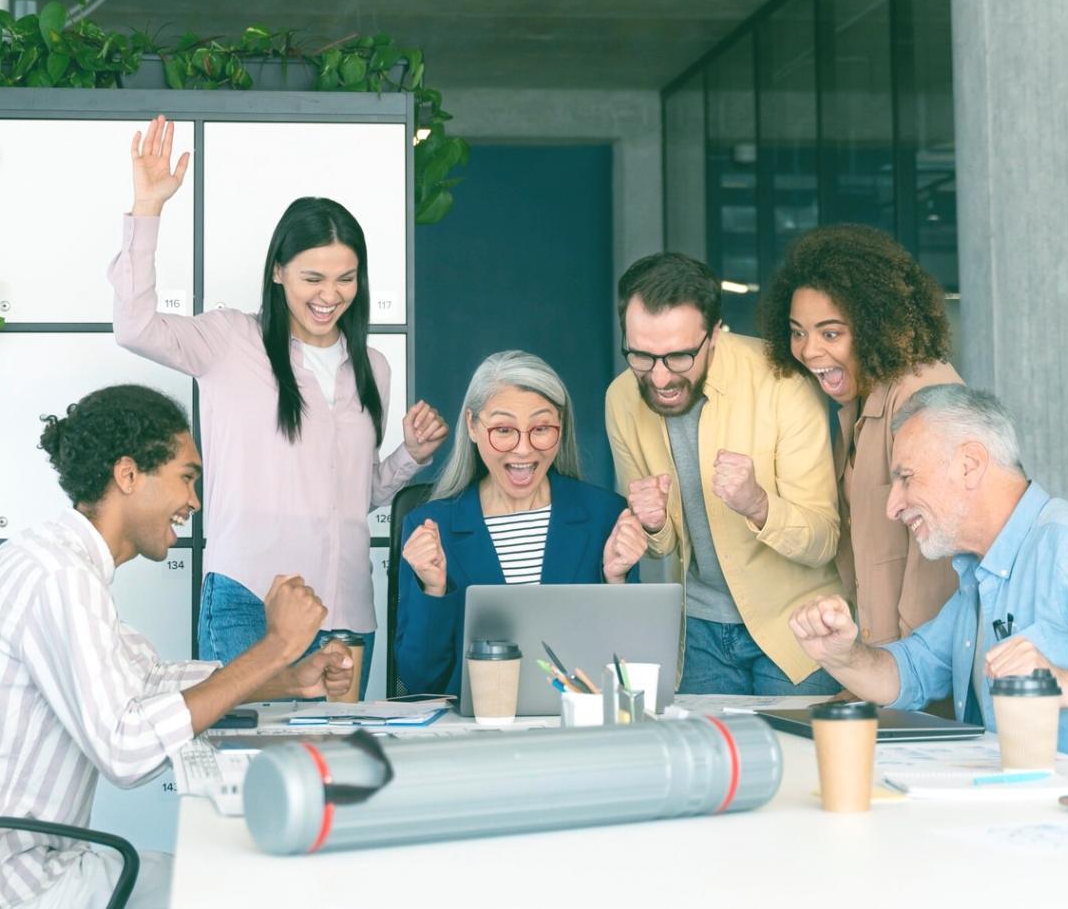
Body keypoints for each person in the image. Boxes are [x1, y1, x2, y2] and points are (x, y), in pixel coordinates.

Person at [0, 385, 355, 908]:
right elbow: (126, 750)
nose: (194, 502)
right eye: (187, 478)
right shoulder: (57, 577)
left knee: (222, 880)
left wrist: (290, 676)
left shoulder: (52, 559)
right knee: (239, 889)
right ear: (128, 475)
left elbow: (148, 680)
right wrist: (273, 647)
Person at [111, 114, 448, 685]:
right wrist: (148, 209)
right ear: (277, 272)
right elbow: (134, 326)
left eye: (346, 279)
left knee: (332, 772)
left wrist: (410, 455)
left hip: (344, 614)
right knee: (245, 771)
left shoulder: (374, 369)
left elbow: (352, 496)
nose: (330, 295)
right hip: (248, 601)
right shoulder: (228, 340)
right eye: (312, 278)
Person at [788, 385, 1068, 790]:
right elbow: (909, 673)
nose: (892, 506)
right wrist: (843, 655)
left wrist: (1066, 684)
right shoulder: (979, 576)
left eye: (906, 478)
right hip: (1043, 823)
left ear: (969, 465)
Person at [604, 253, 843, 696]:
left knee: (798, 764)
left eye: (678, 357)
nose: (658, 377)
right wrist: (652, 524)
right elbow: (663, 546)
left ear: (714, 334)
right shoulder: (621, 398)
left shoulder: (784, 382)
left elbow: (824, 539)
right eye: (640, 355)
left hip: (796, 628)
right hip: (698, 633)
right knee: (709, 764)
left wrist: (759, 504)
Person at [396, 351, 646, 696]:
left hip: (575, 732)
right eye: (503, 430)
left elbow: (630, 675)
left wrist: (615, 581)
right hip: (476, 734)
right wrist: (432, 590)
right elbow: (420, 681)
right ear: (472, 426)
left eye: (541, 429)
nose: (524, 450)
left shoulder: (605, 516)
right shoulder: (430, 527)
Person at [763, 224, 961, 645]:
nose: (809, 350)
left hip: (919, 666)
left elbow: (940, 559)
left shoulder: (922, 395)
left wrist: (904, 671)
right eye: (798, 332)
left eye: (830, 333)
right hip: (882, 662)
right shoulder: (855, 403)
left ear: (875, 326)